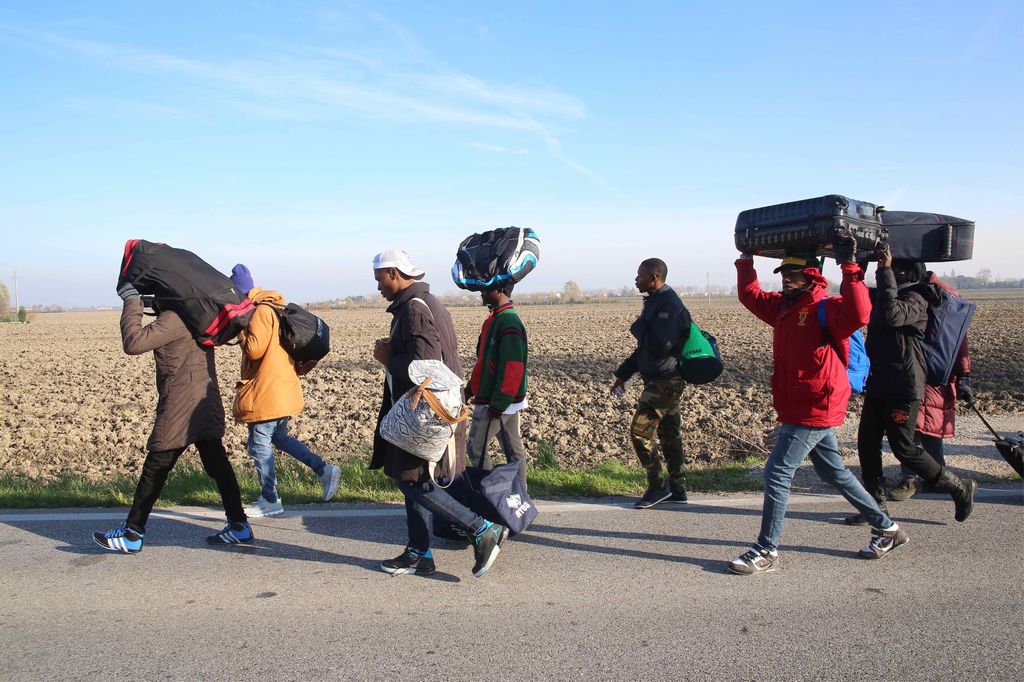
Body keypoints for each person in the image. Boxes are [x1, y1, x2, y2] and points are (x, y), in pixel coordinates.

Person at [727, 239, 908, 576]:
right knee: (833, 472)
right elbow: (750, 296)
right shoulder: (783, 307)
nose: (784, 277)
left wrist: (850, 268)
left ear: (810, 275)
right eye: (782, 272)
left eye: (792, 273)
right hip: (799, 402)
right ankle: (887, 529)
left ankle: (766, 549)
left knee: (777, 473)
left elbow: (860, 313)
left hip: (816, 404)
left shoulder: (826, 307)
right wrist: (746, 259)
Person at [370, 249, 508, 578]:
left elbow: (425, 366)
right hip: (432, 410)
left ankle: (482, 529)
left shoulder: (414, 311)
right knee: (413, 478)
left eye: (379, 280)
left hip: (424, 414)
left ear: (394, 274)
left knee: (413, 482)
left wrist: (388, 358)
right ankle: (419, 552)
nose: (378, 287)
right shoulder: (426, 303)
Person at [94, 283, 252, 553]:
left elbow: (133, 343)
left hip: (181, 405)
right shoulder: (197, 313)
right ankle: (239, 525)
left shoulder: (175, 318)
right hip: (205, 400)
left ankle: (132, 533)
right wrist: (152, 305)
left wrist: (132, 301)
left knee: (156, 466)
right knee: (217, 464)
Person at [848, 248, 976, 524]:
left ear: (902, 273)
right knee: (867, 444)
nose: (887, 273)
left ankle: (958, 486)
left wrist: (883, 272)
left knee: (904, 448)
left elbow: (893, 314)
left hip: (905, 387)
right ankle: (874, 507)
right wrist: (854, 267)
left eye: (892, 269)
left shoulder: (918, 299)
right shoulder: (884, 294)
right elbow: (857, 299)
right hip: (880, 381)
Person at [230, 264, 341, 518]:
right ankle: (323, 470)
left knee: (259, 445)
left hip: (268, 392)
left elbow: (255, 350)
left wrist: (241, 332)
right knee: (279, 438)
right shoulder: (274, 307)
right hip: (281, 389)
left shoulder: (259, 313)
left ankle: (270, 499)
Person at [611, 258, 692, 509]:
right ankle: (678, 489)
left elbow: (660, 345)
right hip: (661, 379)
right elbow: (644, 350)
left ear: (654, 276)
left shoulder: (667, 304)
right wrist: (623, 374)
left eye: (640, 275)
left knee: (639, 432)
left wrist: (638, 325)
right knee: (670, 435)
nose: (636, 279)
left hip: (665, 381)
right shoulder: (656, 301)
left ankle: (658, 488)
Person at [889, 270, 974, 501]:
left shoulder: (916, 297)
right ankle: (935, 477)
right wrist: (964, 374)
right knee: (922, 428)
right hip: (933, 374)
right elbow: (958, 343)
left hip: (923, 373)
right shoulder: (945, 301)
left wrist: (965, 374)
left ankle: (912, 480)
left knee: (916, 429)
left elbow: (958, 343)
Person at [465, 282, 530, 488]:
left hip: (498, 400)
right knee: (513, 449)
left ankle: (489, 496)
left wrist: (498, 404)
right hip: (503, 399)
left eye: (486, 288)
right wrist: (470, 388)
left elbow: (513, 367)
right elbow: (484, 362)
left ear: (500, 290)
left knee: (477, 447)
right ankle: (519, 496)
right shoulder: (496, 320)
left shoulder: (508, 321)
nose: (481, 292)